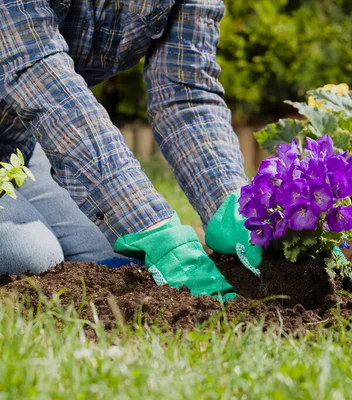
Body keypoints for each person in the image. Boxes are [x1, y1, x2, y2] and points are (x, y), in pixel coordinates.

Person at [0, 0, 262, 300]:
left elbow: (186, 92)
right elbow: (40, 76)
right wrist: (147, 221)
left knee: (111, 256)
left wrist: (237, 208)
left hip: (16, 145)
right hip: (36, 103)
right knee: (30, 253)